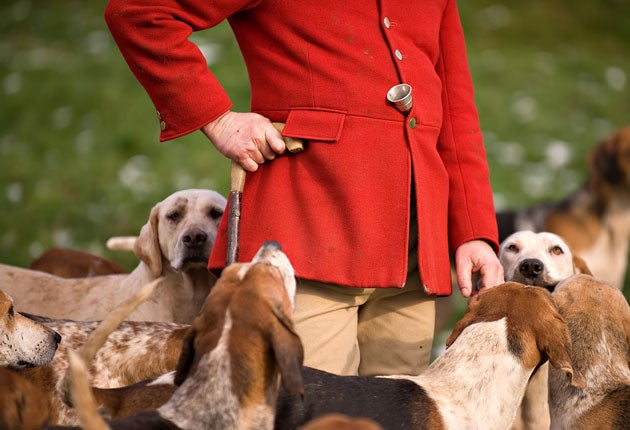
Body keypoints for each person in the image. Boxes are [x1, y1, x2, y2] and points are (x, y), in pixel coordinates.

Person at [104, 0, 504, 377]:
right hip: (305, 241)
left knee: (399, 416)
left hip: (415, 256)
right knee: (312, 414)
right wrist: (219, 120)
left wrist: (472, 232)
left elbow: (453, 107)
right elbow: (140, 13)